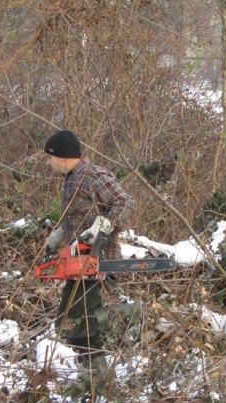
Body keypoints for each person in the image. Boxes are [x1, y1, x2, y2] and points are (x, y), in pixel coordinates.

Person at [42, 130, 135, 372]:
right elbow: (77, 218)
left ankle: (127, 317)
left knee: (74, 321)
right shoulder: (70, 180)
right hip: (78, 263)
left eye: (49, 158)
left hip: (99, 261)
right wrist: (58, 237)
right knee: (68, 323)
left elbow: (125, 202)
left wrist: (104, 224)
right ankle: (92, 373)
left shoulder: (94, 175)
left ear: (62, 156)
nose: (47, 163)